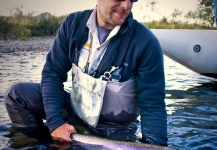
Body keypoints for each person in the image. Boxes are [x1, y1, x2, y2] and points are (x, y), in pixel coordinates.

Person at [4, 0, 167, 146]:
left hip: (115, 130)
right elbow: (53, 73)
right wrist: (55, 122)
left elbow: (152, 104)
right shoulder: (73, 24)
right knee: (17, 95)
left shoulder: (146, 42)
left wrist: (156, 145)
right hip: (75, 111)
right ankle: (41, 142)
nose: (126, 6)